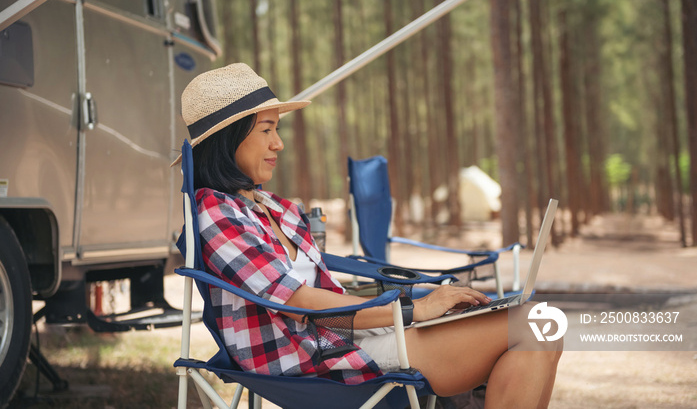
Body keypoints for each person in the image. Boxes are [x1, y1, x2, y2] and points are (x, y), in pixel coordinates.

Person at [174, 63, 562, 407]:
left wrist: (420, 300)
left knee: (544, 328)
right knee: (534, 327)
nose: (279, 143)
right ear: (228, 139)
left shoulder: (277, 209)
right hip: (308, 354)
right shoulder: (217, 213)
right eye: (267, 129)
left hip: (341, 333)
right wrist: (410, 311)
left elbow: (326, 296)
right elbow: (297, 303)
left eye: (278, 129)